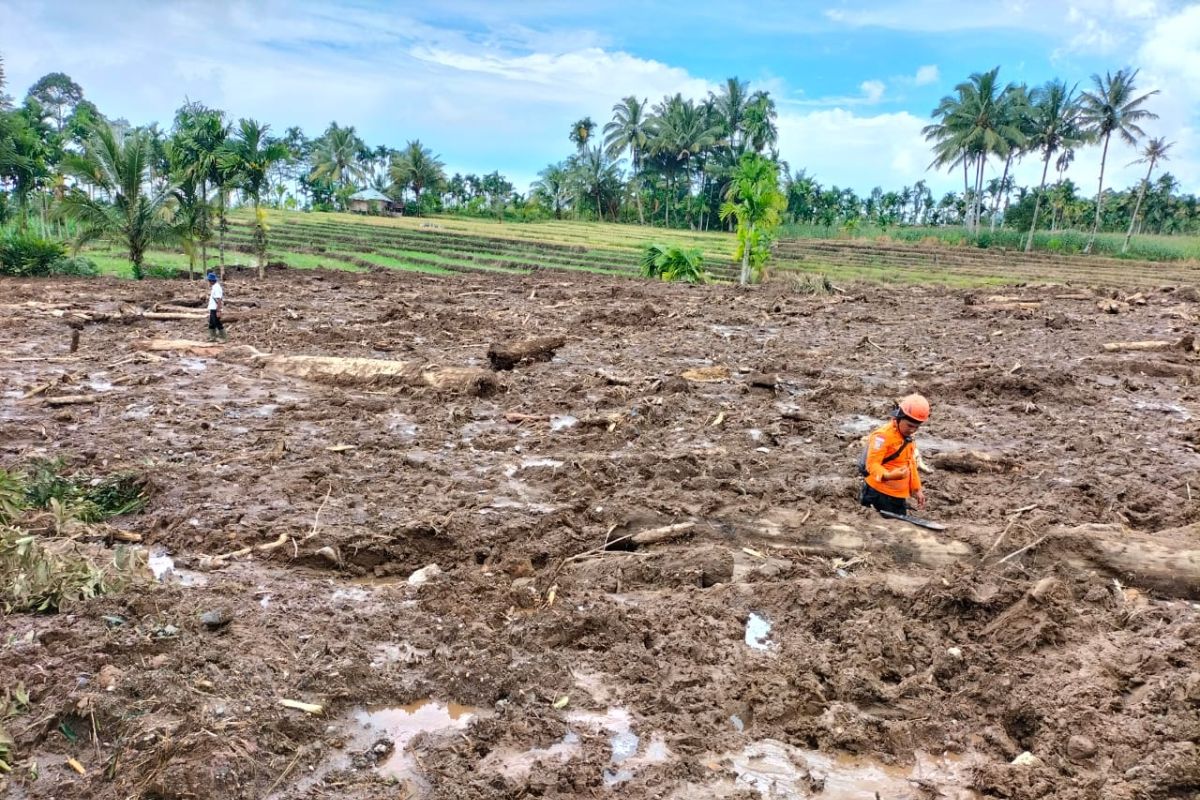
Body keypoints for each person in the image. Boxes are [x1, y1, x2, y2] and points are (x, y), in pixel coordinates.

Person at [859, 393, 929, 516]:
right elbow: (872, 464)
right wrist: (889, 475)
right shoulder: (882, 436)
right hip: (878, 494)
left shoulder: (908, 437)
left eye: (916, 427)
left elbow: (910, 463)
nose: (912, 430)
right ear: (899, 417)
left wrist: (917, 489)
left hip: (897, 496)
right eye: (910, 425)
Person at [206, 272, 226, 342]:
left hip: (215, 308)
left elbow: (219, 299)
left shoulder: (217, 288)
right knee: (211, 323)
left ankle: (223, 338)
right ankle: (212, 337)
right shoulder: (214, 287)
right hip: (213, 308)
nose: (208, 282)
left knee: (217, 322)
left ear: (211, 281)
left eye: (208, 280)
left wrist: (218, 310)